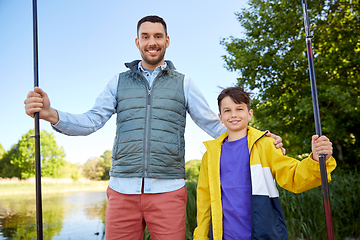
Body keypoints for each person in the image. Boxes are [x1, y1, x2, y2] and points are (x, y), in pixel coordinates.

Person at [24, 16, 284, 240]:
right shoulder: (118, 82)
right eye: (145, 36)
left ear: (167, 41)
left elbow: (216, 126)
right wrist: (50, 114)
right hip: (122, 189)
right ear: (137, 42)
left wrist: (259, 141)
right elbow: (92, 121)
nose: (152, 42)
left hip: (169, 191)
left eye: (158, 36)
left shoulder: (184, 83)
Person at [193, 86, 337, 240]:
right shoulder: (210, 155)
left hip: (263, 234)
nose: (233, 115)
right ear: (220, 117)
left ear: (250, 114)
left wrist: (316, 160)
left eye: (239, 109)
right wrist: (200, 237)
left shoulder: (266, 145)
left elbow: (293, 177)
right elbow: (204, 200)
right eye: (227, 110)